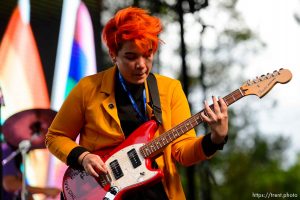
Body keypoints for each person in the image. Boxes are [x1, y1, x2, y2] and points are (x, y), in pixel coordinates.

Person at [46, 7, 228, 200]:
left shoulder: (170, 89)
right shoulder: (87, 88)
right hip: (99, 192)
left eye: (147, 54)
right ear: (113, 54)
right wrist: (83, 157)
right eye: (131, 57)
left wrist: (217, 138)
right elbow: (55, 137)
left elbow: (182, 152)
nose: (141, 64)